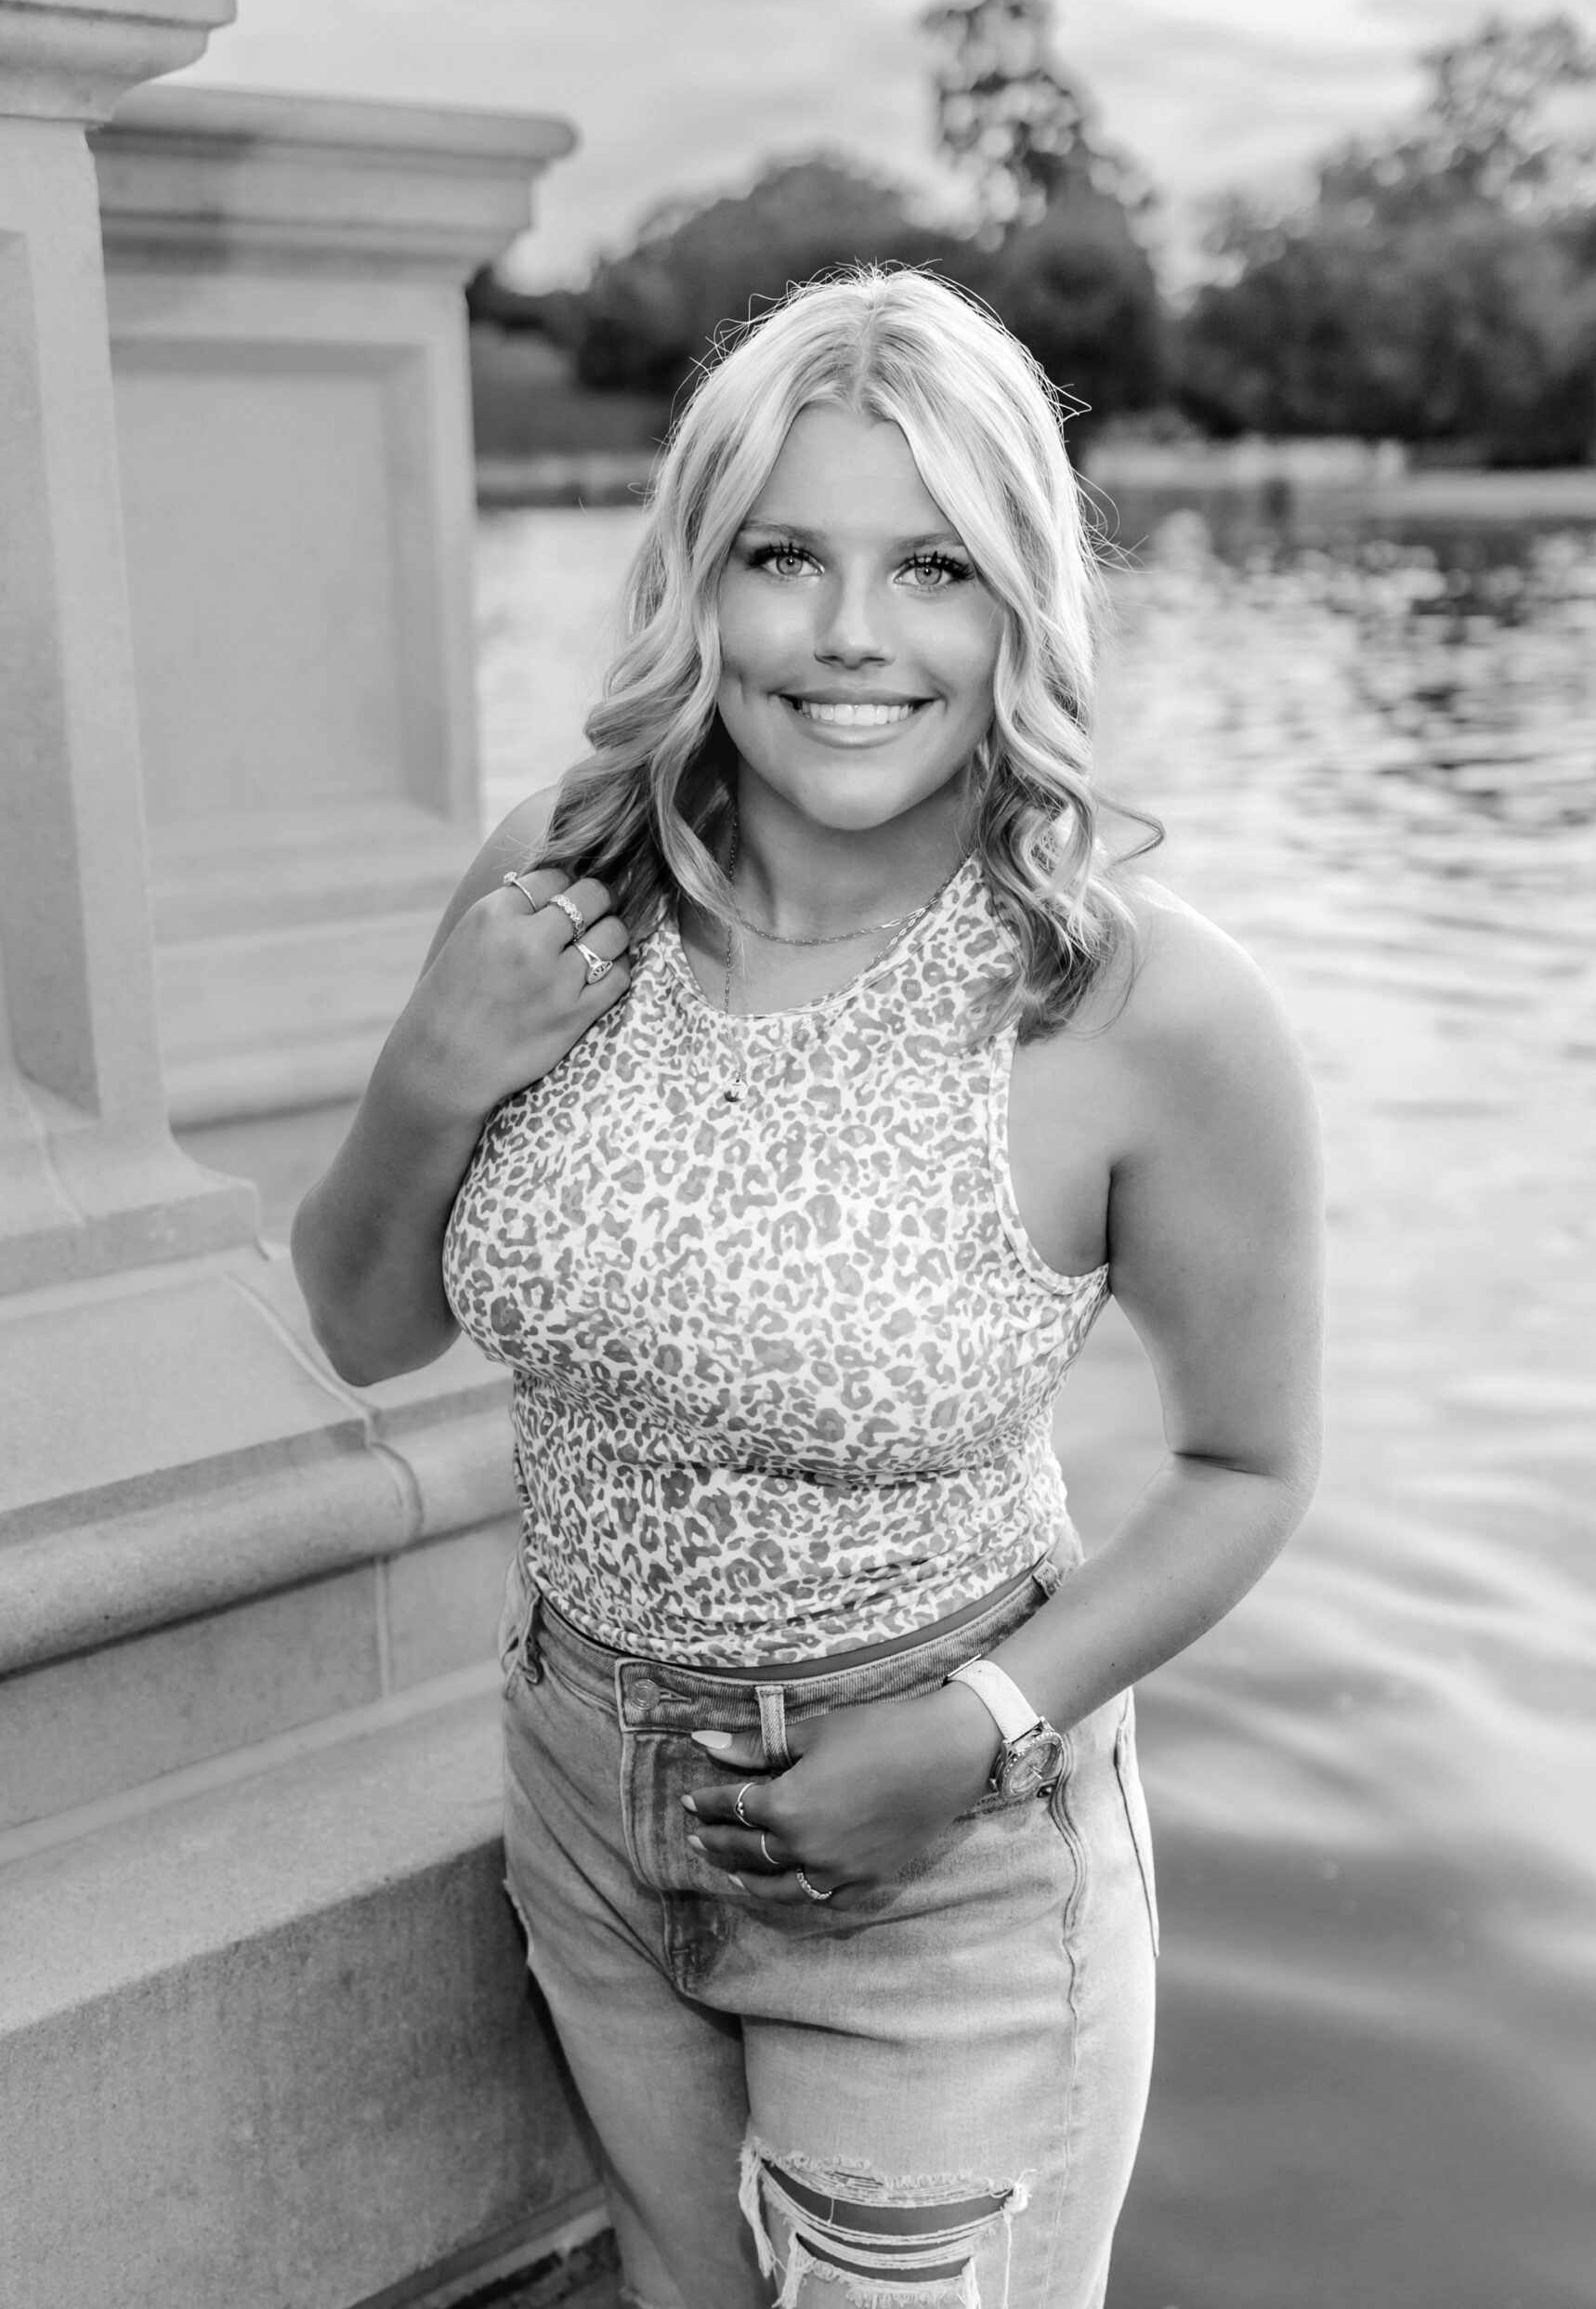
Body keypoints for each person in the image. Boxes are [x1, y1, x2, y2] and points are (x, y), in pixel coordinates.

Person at [292, 267, 1322, 2309]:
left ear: (1017, 600)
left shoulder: (1140, 1002)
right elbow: (362, 1321)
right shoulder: (556, 882)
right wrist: (432, 1064)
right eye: (785, 555)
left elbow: (1242, 1463)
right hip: (577, 1783)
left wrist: (978, 1724)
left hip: (937, 1832)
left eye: (929, 563)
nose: (850, 634)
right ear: (699, 577)